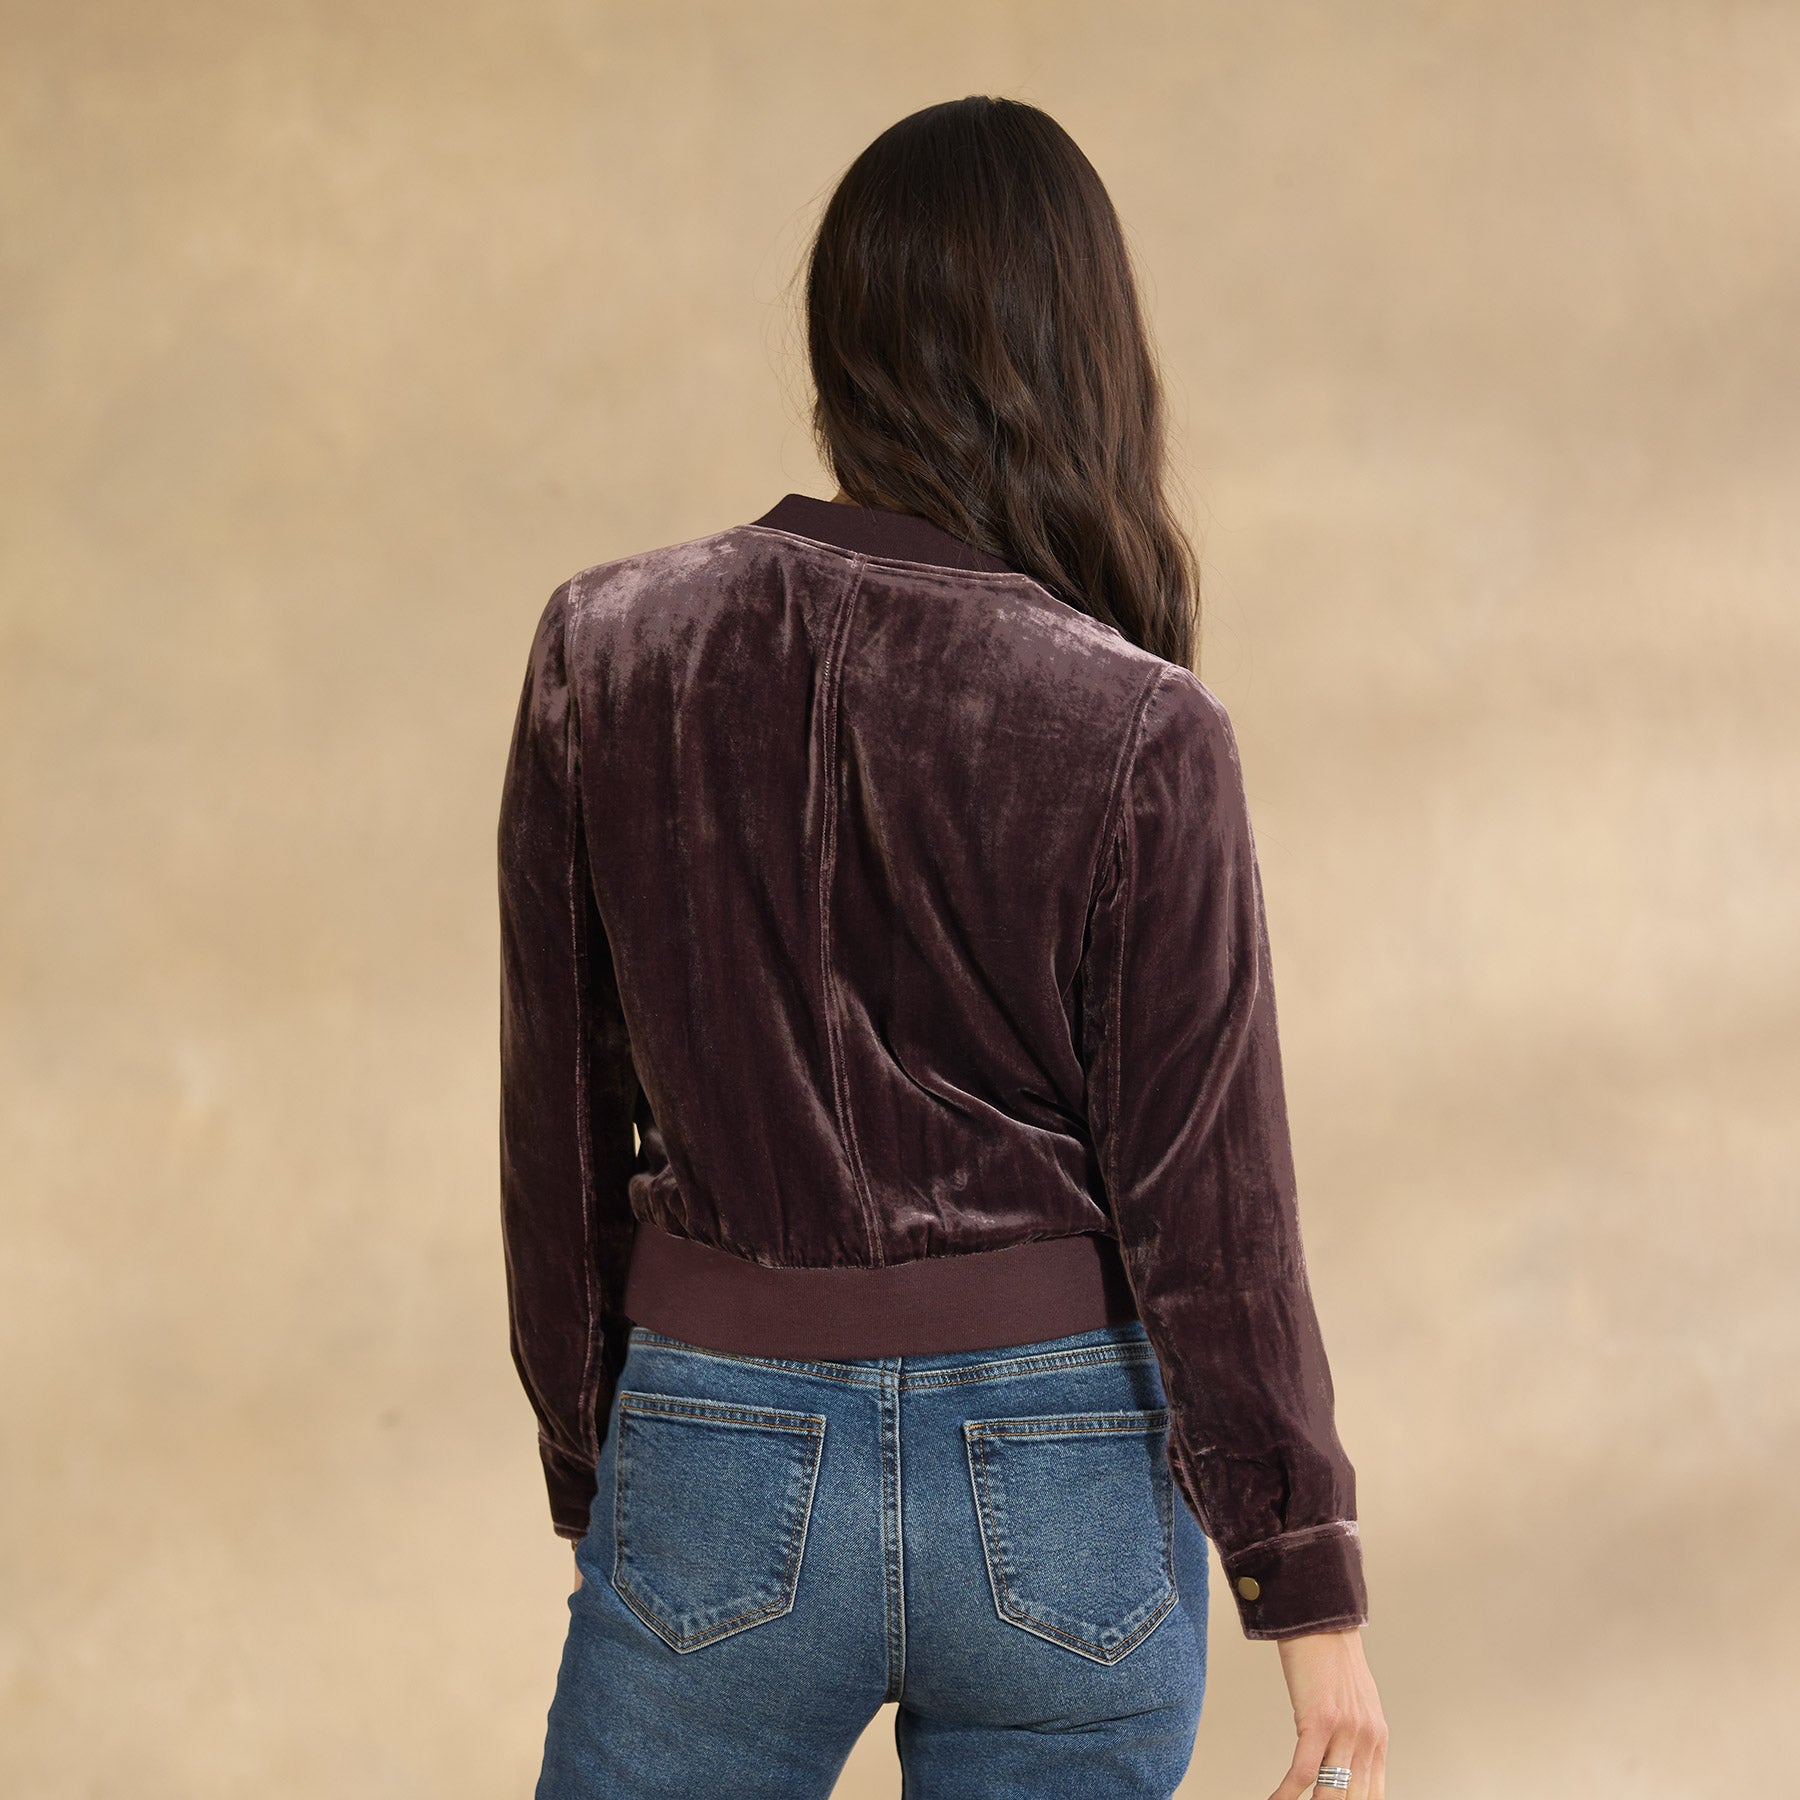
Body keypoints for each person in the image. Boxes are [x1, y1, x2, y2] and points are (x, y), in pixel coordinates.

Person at [498, 94, 1388, 1800]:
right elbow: (1212, 1205)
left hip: (717, 1438)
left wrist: (602, 1461)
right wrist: (1306, 1582)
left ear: (839, 343)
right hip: (1063, 1481)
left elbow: (562, 1131)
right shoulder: (1143, 724)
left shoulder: (607, 653)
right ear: (1088, 355)